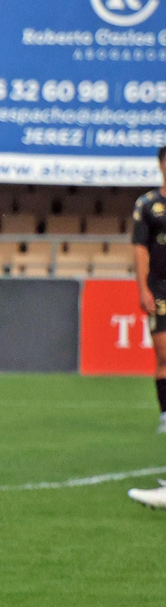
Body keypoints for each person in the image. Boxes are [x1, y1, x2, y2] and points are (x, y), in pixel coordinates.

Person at [131, 144, 166, 434]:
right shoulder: (147, 204)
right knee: (164, 354)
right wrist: (143, 288)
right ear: (161, 165)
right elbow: (140, 248)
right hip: (160, 287)